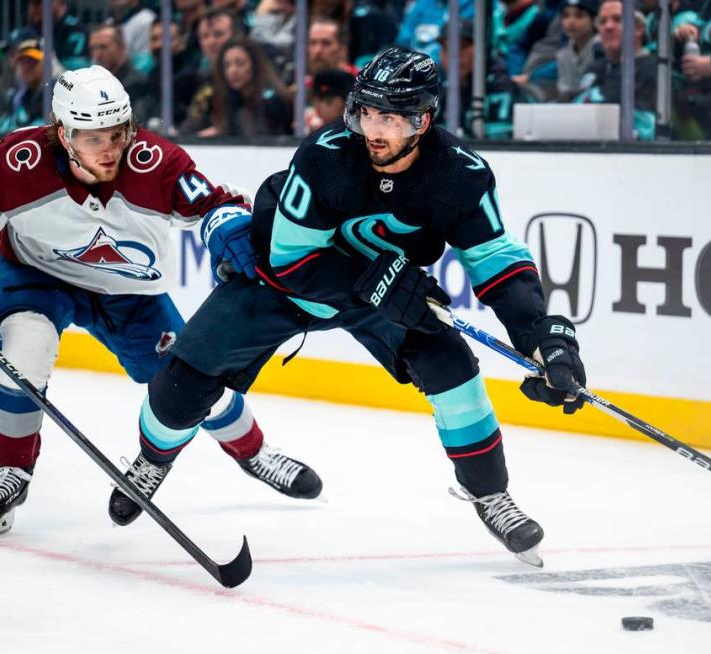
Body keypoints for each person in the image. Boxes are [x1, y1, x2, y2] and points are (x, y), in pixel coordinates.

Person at [127, 47, 588, 566]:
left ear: (422, 119)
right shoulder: (327, 156)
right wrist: (379, 283)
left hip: (382, 290)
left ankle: (490, 493)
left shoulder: (462, 174)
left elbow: (497, 261)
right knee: (185, 379)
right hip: (281, 284)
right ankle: (151, 459)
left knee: (453, 367)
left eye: (389, 117)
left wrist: (539, 337)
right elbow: (291, 262)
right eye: (367, 112)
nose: (373, 129)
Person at [0, 65, 322, 541]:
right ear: (63, 134)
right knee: (22, 355)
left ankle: (254, 452)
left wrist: (228, 225)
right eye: (93, 138)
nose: (110, 149)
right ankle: (12, 474)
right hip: (35, 276)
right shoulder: (17, 163)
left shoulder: (155, 161)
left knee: (189, 384)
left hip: (131, 295)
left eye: (117, 133)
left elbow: (212, 203)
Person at [573, 0, 657, 140]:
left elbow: (644, 128)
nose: (608, 26)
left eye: (618, 19)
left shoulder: (651, 69)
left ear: (639, 29)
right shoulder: (595, 67)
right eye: (603, 21)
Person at [183, 37, 292, 137]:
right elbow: (187, 131)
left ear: (255, 65)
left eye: (240, 63)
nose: (232, 71)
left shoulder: (273, 100)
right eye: (227, 65)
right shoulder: (216, 96)